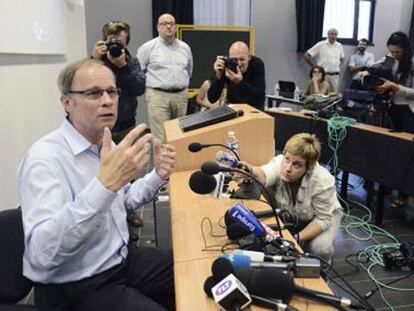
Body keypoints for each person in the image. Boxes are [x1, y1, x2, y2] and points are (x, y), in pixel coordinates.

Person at [17, 59, 176, 311]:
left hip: (121, 260)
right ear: (67, 102)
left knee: (195, 269)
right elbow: (42, 254)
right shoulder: (44, 160)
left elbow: (123, 200)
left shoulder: (104, 144)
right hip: (79, 285)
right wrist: (104, 186)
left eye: (112, 91)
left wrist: (158, 174)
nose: (107, 100)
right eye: (93, 93)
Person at [236, 133, 342, 263]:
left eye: (296, 165)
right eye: (287, 159)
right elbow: (264, 174)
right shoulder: (279, 163)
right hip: (296, 216)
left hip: (324, 216)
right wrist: (250, 170)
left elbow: (323, 219)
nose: (288, 168)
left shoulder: (322, 180)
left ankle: (322, 273)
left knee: (320, 249)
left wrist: (297, 238)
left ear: (308, 168)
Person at [137, 13, 193, 142]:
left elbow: (189, 71)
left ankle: (178, 163)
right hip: (158, 96)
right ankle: (161, 163)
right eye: (164, 24)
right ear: (158, 27)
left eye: (171, 24)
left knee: (180, 136)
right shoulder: (148, 48)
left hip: (181, 96)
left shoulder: (185, 48)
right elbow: (138, 72)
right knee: (161, 139)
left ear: (175, 27)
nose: (168, 27)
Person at [375, 31, 414, 208]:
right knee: (393, 151)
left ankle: (405, 194)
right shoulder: (390, 59)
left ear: (405, 49)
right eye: (391, 52)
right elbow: (376, 68)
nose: (394, 55)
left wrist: (396, 87)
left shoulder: (412, 63)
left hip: (409, 112)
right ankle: (390, 187)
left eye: (397, 52)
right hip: (393, 109)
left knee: (407, 153)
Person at [92, 21, 146, 144]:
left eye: (119, 42)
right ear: (105, 41)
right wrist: (94, 60)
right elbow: (88, 85)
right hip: (101, 126)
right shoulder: (97, 62)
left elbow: (139, 89)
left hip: (126, 126)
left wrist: (123, 68)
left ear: (126, 44)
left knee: (129, 162)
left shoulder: (132, 62)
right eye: (112, 41)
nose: (115, 45)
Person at [208, 41, 266, 111]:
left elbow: (260, 97)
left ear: (249, 57)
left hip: (254, 109)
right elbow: (212, 98)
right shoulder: (227, 65)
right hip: (233, 109)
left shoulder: (257, 64)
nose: (239, 64)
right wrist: (218, 76)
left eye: (242, 59)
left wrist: (240, 83)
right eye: (234, 60)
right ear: (229, 58)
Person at [304, 28, 345, 92]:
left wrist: (337, 65)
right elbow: (307, 55)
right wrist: (313, 66)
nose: (333, 36)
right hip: (323, 75)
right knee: (320, 94)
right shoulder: (321, 44)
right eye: (331, 34)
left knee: (333, 95)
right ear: (328, 35)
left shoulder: (339, 45)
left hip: (335, 76)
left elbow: (342, 58)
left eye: (335, 34)